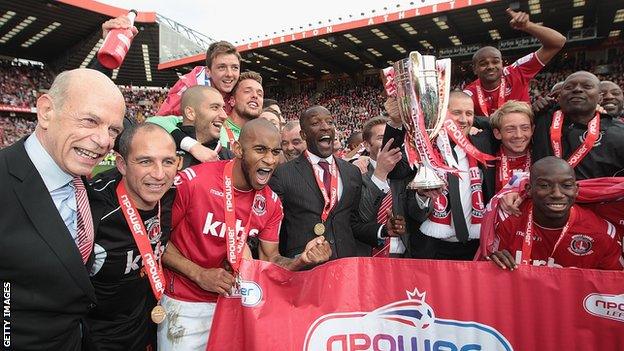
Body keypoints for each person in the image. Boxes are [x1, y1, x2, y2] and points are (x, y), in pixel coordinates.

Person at [157, 119, 331, 350]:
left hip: (236, 304)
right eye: (260, 150)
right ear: (238, 149)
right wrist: (199, 274)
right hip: (186, 304)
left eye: (275, 152)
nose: (270, 160)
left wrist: (301, 260)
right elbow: (157, 241)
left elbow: (270, 260)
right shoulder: (194, 182)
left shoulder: (271, 203)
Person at [0, 68, 125, 350]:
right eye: (90, 121)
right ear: (45, 111)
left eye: (113, 129)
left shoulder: (86, 185)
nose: (104, 141)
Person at [85, 124, 178, 351]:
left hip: (149, 329)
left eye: (167, 161)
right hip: (99, 338)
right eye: (145, 161)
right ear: (122, 165)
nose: (159, 174)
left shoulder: (171, 196)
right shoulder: (91, 209)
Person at [269, 106, 405, 259]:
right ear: (303, 134)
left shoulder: (351, 172)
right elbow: (273, 230)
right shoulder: (282, 174)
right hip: (305, 269)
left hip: (345, 266)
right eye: (315, 123)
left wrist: (383, 230)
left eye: (330, 122)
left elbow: (353, 223)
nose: (325, 127)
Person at [385, 92, 497, 260]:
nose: (464, 119)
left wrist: (475, 120)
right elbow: (394, 170)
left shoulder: (483, 143)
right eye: (456, 112)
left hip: (476, 248)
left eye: (469, 113)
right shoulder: (423, 145)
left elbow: (502, 123)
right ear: (442, 115)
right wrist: (395, 121)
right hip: (432, 249)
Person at [488, 157, 623, 271]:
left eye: (566, 185)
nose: (557, 194)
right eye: (545, 186)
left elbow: (613, 288)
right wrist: (493, 266)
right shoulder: (509, 220)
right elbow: (489, 280)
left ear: (576, 190)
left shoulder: (602, 233)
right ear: (529, 189)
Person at [463, 8, 566, 116]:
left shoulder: (516, 71)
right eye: (483, 63)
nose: (490, 66)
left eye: (495, 61)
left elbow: (558, 42)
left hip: (524, 131)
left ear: (502, 64)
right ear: (474, 69)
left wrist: (527, 26)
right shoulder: (469, 93)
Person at [532, 71, 624, 179]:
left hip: (598, 195)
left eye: (587, 86)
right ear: (560, 96)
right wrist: (531, 113)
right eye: (569, 87)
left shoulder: (618, 132)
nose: (577, 89)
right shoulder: (542, 118)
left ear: (600, 98)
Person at [146, 86, 233, 168]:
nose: (224, 116)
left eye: (223, 108)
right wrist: (191, 145)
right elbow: (149, 123)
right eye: (215, 107)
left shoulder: (229, 158)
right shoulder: (160, 148)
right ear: (190, 113)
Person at [358, 116, 406, 257]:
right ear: (367, 145)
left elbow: (418, 214)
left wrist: (422, 197)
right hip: (369, 255)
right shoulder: (355, 173)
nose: (387, 142)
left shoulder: (407, 172)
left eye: (390, 137)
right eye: (381, 138)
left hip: (405, 256)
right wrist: (380, 172)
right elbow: (361, 218)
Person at [157, 41, 241, 116]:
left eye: (235, 67)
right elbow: (158, 123)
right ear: (208, 71)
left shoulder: (241, 89)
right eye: (222, 67)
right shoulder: (188, 88)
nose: (229, 74)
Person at [489, 100, 534, 191]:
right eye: (510, 130)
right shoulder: (488, 162)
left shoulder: (540, 157)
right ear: (497, 133)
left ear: (532, 130)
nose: (518, 135)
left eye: (525, 128)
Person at [218, 71, 264, 148]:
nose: (255, 96)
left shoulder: (263, 136)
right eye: (247, 91)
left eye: (260, 94)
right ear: (232, 101)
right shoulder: (218, 128)